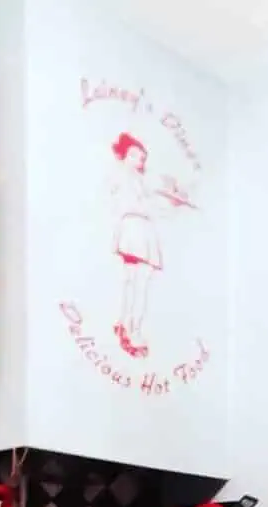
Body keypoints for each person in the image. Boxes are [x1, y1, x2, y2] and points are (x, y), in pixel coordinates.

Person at [110, 132, 193, 358]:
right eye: (136, 156)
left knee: (134, 279)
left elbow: (149, 205)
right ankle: (131, 330)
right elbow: (137, 205)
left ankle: (124, 323)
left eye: (142, 158)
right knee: (138, 281)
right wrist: (166, 205)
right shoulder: (125, 179)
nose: (140, 161)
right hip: (136, 230)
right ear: (125, 156)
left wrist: (168, 204)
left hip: (139, 231)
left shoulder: (137, 181)